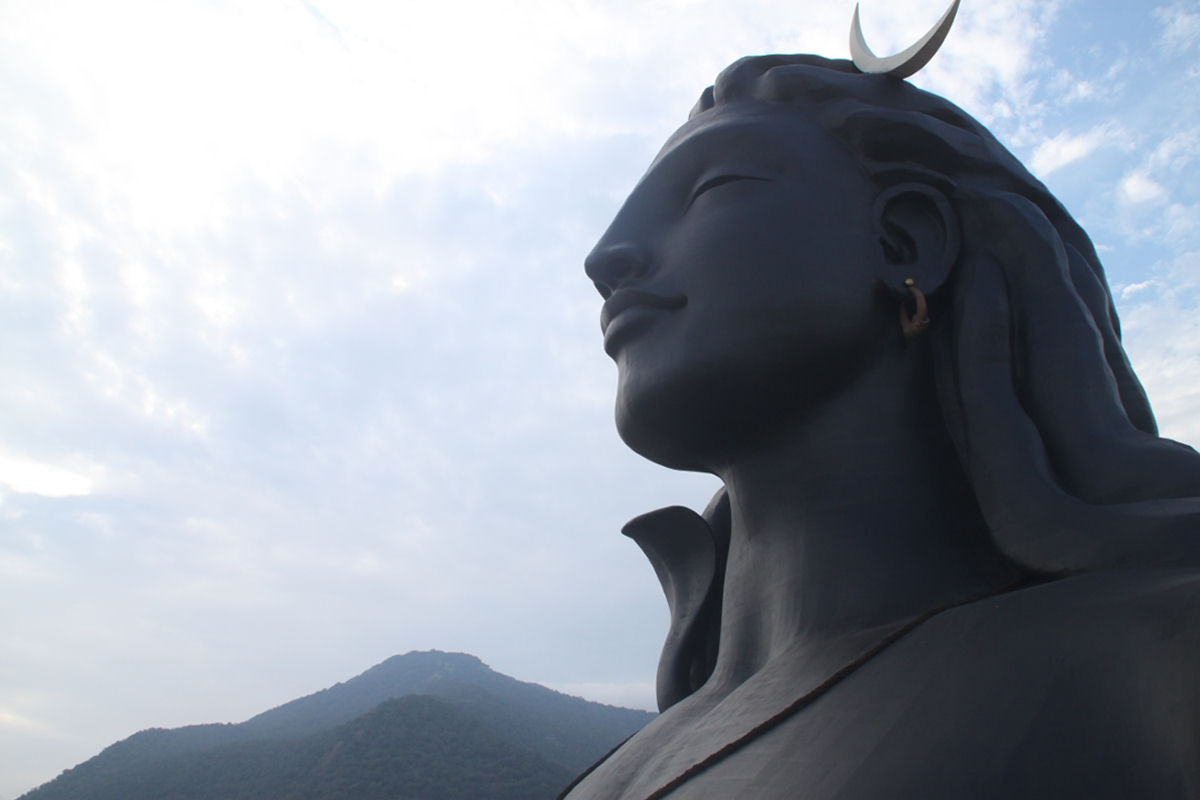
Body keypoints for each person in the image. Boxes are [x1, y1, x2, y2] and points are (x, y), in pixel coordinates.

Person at [562, 54, 1200, 799]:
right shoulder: (623, 767)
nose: (606, 258)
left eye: (711, 188)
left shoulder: (1159, 667)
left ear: (906, 238)